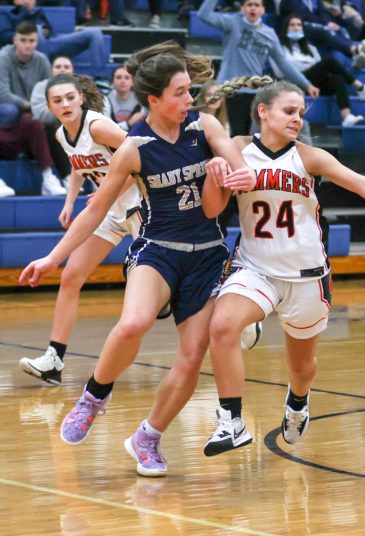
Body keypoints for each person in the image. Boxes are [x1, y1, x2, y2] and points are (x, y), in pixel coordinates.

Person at [18, 42, 270, 477]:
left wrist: (242, 174)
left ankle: (147, 437)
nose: (189, 99)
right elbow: (95, 211)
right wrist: (53, 257)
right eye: (180, 92)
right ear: (154, 100)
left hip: (208, 256)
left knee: (192, 359)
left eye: (190, 91)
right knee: (133, 322)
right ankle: (94, 397)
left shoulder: (204, 126)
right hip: (157, 250)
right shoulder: (135, 148)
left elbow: (236, 165)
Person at [196, 80, 365, 455]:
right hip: (255, 268)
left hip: (306, 276)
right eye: (289, 111)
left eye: (301, 113)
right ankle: (231, 420)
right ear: (263, 111)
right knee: (221, 327)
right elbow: (201, 136)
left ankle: (299, 402)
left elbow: (364, 185)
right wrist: (215, 169)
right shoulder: (237, 148)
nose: (297, 119)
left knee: (301, 368)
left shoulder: (309, 157)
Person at [18, 74, 142, 385]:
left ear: (81, 98)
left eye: (69, 97)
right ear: (49, 106)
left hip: (142, 206)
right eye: (57, 100)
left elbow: (142, 156)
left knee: (158, 291)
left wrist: (107, 191)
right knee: (72, 275)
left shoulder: (98, 125)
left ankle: (225, 306)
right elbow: (78, 164)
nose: (65, 104)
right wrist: (69, 202)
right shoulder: (62, 134)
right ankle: (54, 360)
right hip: (110, 212)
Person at [197, 0, 319, 137]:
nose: (253, 8)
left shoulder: (269, 34)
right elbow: (203, 15)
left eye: (257, 5)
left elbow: (283, 62)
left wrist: (306, 84)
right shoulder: (232, 23)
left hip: (255, 94)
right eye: (249, 5)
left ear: (263, 10)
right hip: (230, 91)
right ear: (242, 8)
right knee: (233, 136)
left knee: (252, 138)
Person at [0, 21, 66, 195]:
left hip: (31, 116)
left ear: (37, 41)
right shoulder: (3, 57)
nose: (27, 44)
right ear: (15, 40)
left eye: (31, 40)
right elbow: (2, 94)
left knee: (45, 123)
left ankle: (52, 178)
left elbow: (48, 92)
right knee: (10, 110)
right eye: (23, 40)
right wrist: (31, 106)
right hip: (8, 114)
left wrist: (38, 109)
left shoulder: (42, 60)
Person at [273, 15, 365, 127]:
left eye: (299, 25)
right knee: (330, 61)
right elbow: (279, 72)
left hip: (312, 84)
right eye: (292, 25)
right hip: (292, 84)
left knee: (337, 79)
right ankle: (360, 87)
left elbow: (320, 69)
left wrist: (313, 69)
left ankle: (347, 117)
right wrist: (307, 69)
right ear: (285, 28)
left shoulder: (310, 48)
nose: (296, 28)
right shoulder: (278, 48)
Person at [30, 55, 75, 186]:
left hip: (76, 131)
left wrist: (56, 108)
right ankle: (67, 177)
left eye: (66, 67)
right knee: (52, 130)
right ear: (51, 70)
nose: (62, 70)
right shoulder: (41, 87)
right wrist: (69, 110)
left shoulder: (81, 88)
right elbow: (40, 115)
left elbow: (89, 112)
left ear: (73, 70)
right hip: (49, 135)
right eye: (58, 67)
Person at [107, 66, 146, 133]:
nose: (123, 81)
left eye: (127, 78)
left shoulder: (141, 100)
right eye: (118, 77)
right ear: (112, 81)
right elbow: (107, 129)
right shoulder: (106, 99)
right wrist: (129, 123)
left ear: (133, 82)